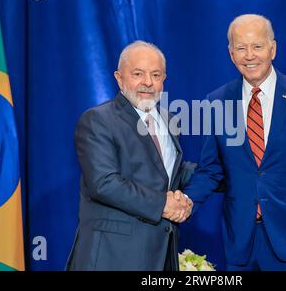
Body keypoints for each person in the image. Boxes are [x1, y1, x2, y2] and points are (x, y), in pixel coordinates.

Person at [185, 14, 286, 271]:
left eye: (257, 46)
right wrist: (187, 202)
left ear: (273, 49)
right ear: (231, 53)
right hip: (240, 244)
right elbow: (210, 170)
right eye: (241, 48)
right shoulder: (216, 101)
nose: (249, 55)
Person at [67, 40, 194, 271]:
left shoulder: (169, 121)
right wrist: (163, 204)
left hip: (160, 255)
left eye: (156, 75)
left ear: (163, 80)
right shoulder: (97, 120)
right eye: (138, 73)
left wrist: (224, 171)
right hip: (112, 257)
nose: (148, 82)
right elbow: (104, 183)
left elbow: (168, 173)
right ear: (119, 77)